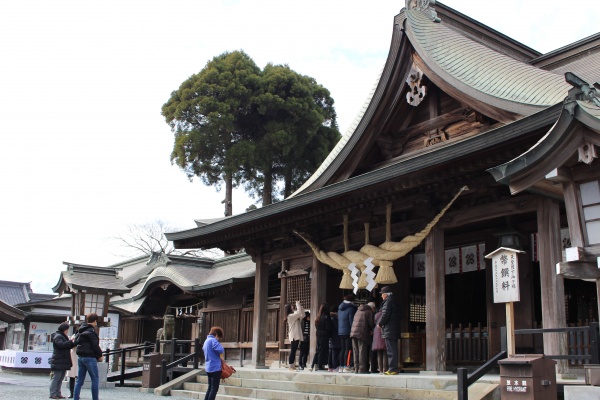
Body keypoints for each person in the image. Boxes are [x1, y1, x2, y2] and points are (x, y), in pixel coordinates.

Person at [73, 313, 103, 400]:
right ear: (95, 321)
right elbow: (95, 345)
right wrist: (100, 355)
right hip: (90, 357)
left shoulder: (80, 330)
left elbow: (75, 342)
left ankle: (75, 398)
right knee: (95, 379)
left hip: (81, 357)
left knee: (79, 380)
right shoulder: (91, 332)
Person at [49, 322, 76, 399]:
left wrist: (73, 343)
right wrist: (71, 341)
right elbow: (61, 345)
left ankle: (57, 393)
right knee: (57, 378)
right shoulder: (58, 336)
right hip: (59, 360)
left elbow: (66, 345)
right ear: (64, 329)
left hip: (62, 360)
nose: (68, 331)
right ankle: (53, 393)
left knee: (60, 378)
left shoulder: (62, 336)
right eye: (67, 329)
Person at [378, 286, 401, 375]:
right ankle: (393, 368)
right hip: (394, 328)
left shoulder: (388, 302)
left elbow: (385, 315)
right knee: (393, 349)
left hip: (389, 329)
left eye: (382, 294)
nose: (381, 296)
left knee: (391, 350)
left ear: (385, 295)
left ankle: (392, 369)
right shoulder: (396, 301)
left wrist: (380, 323)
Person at [350, 303, 374, 373]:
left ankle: (356, 368)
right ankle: (362, 369)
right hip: (362, 333)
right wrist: (372, 330)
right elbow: (371, 323)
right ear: (372, 308)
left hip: (353, 332)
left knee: (355, 350)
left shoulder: (358, 310)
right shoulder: (369, 311)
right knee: (362, 350)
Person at [202, 326, 225, 400]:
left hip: (208, 367)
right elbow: (221, 350)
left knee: (209, 388)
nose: (218, 339)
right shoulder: (213, 340)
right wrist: (218, 343)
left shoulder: (206, 341)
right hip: (215, 367)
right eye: (219, 337)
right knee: (214, 389)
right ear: (216, 334)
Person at [337, 294, 357, 372]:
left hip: (340, 331)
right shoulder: (350, 309)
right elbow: (351, 321)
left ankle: (341, 366)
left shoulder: (340, 308)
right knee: (348, 349)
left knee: (343, 348)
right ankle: (347, 365)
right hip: (348, 331)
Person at [310, 303, 332, 371]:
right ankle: (320, 365)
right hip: (324, 335)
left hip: (318, 334)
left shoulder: (318, 317)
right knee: (322, 350)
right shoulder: (326, 317)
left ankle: (313, 364)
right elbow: (328, 327)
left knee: (318, 350)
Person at [285, 301, 305, 370]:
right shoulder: (290, 316)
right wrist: (297, 304)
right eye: (291, 306)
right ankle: (290, 365)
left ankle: (292, 365)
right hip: (294, 335)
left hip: (296, 335)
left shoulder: (294, 315)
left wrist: (301, 307)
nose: (292, 307)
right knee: (293, 350)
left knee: (294, 350)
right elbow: (299, 313)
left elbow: (302, 315)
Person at [372, 306, 388, 374]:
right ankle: (385, 369)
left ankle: (380, 370)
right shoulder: (385, 315)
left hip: (376, 334)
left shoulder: (376, 315)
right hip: (383, 333)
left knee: (379, 353)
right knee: (385, 352)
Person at [327, 306, 340, 372]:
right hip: (335, 337)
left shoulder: (329, 318)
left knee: (331, 352)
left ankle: (330, 366)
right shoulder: (334, 319)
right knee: (334, 353)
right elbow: (337, 328)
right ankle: (335, 367)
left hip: (330, 337)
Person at [67, 334, 79, 398]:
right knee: (72, 377)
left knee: (77, 377)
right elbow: (71, 346)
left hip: (78, 357)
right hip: (74, 357)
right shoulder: (74, 336)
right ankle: (72, 392)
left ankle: (75, 393)